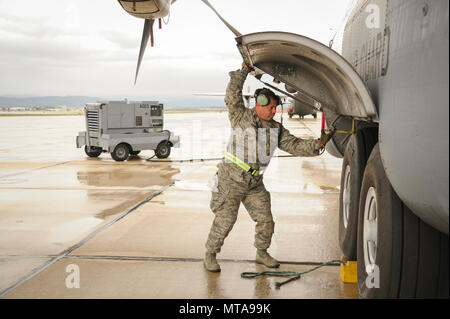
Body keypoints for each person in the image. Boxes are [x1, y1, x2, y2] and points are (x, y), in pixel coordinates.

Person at [203, 62, 334, 272]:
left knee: (266, 220)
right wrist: (244, 71)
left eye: (276, 108)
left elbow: (294, 146)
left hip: (254, 183)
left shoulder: (276, 128)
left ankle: (261, 252)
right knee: (225, 222)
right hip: (231, 180)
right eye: (271, 107)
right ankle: (210, 254)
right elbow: (232, 94)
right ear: (259, 104)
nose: (274, 111)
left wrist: (318, 144)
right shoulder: (240, 116)